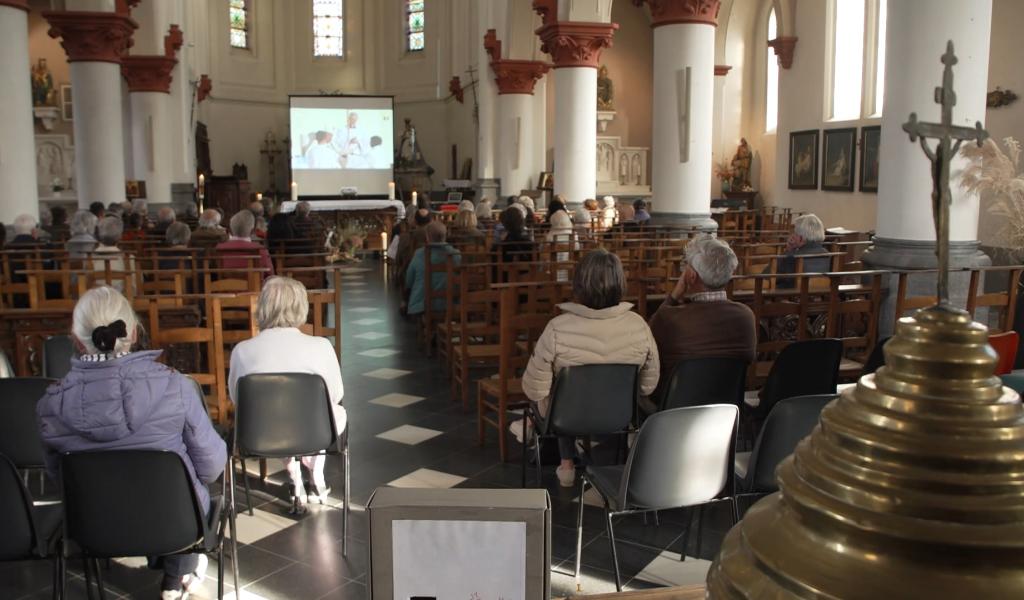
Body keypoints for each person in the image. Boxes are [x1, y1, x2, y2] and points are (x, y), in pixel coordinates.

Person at [36, 286, 226, 599]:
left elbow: (62, 480)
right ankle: (176, 575)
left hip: (95, 525)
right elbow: (212, 466)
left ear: (75, 339)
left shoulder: (50, 405)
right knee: (193, 490)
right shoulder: (177, 386)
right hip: (173, 520)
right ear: (134, 333)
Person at [521, 249, 660, 486]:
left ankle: (566, 465)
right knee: (563, 393)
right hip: (619, 415)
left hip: (566, 417)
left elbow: (535, 390)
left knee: (557, 393)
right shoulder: (639, 326)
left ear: (578, 284)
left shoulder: (557, 327)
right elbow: (648, 386)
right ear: (620, 283)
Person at [228, 276, 346, 513]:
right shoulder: (321, 346)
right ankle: (316, 474)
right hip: (315, 433)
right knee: (330, 411)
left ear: (263, 308)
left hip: (262, 434)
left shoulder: (243, 350)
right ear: (301, 307)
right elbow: (336, 393)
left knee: (275, 413)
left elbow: (236, 399)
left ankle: (294, 477)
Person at [647, 236, 756, 405]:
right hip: (725, 410)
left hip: (675, 410)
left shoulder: (670, 318)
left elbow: (649, 337)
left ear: (691, 276)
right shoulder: (746, 316)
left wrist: (675, 294)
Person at [405, 222, 461, 317]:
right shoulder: (456, 254)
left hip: (422, 305)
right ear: (445, 236)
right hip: (451, 303)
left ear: (427, 237)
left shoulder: (419, 254)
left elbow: (409, 280)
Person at [777, 213, 830, 288]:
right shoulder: (827, 254)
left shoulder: (793, 256)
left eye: (795, 233)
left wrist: (788, 251)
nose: (793, 236)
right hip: (819, 294)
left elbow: (768, 276)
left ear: (801, 238)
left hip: (795, 295)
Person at [215, 210, 274, 275]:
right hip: (255, 284)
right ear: (252, 231)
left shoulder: (219, 247)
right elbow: (270, 273)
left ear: (231, 230)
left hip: (224, 284)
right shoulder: (260, 249)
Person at [91, 216, 136, 294]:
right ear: (120, 237)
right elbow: (134, 289)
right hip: (121, 302)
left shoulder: (89, 259)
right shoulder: (129, 258)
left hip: (95, 302)